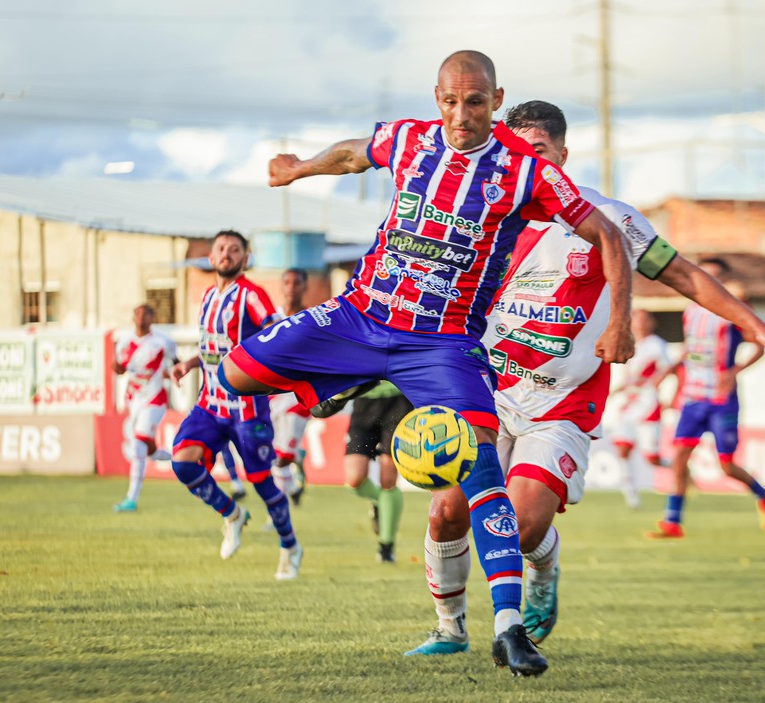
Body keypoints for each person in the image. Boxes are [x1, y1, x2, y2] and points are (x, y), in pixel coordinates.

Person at [215, 50, 639, 677]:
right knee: (233, 374)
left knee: (480, 476)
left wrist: (623, 323)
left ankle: (507, 627)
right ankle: (356, 376)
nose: (461, 114)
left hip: (444, 343)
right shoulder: (412, 141)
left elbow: (607, 235)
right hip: (363, 315)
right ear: (435, 98)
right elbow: (356, 151)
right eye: (450, 100)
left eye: (475, 101)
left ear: (497, 101)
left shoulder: (527, 173)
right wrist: (298, 169)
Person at [405, 100, 765, 649]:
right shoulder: (478, 218)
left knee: (521, 530)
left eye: (540, 151)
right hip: (486, 392)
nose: (529, 162)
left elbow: (684, 274)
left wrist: (757, 328)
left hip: (564, 402)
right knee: (447, 511)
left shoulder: (609, 219)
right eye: (518, 151)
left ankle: (544, 571)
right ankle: (450, 630)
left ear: (563, 157)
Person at [168, 229, 303, 580]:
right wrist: (189, 363)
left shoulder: (252, 296)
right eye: (221, 249)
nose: (227, 254)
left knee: (261, 481)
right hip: (210, 405)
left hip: (247, 408)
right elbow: (213, 345)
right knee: (182, 462)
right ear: (211, 258)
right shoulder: (208, 296)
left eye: (234, 250)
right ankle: (232, 514)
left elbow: (276, 334)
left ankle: (289, 546)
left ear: (245, 258)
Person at [650, 261, 765, 539]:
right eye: (705, 274)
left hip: (721, 399)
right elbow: (690, 350)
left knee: (727, 466)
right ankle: (673, 521)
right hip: (693, 397)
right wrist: (671, 374)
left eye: (716, 276)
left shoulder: (733, 311)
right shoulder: (690, 311)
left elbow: (759, 347)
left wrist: (735, 371)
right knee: (679, 457)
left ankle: (763, 493)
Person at [111, 304, 177, 512]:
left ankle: (131, 499)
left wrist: (173, 372)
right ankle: (174, 455)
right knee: (147, 448)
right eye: (138, 313)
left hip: (155, 399)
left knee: (138, 445)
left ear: (152, 317)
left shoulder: (162, 342)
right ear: (133, 317)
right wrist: (118, 368)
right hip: (134, 399)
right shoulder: (124, 342)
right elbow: (121, 368)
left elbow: (176, 364)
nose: (141, 318)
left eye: (146, 314)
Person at [604, 309, 671, 509]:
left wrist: (658, 386)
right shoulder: (630, 344)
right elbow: (628, 375)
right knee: (622, 449)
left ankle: (679, 469)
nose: (639, 324)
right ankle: (631, 497)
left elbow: (667, 367)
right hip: (628, 404)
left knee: (652, 458)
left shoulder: (656, 344)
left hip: (648, 404)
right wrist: (617, 391)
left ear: (651, 322)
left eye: (643, 319)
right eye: (636, 319)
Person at [344, 381, 413, 564]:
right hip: (363, 400)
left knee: (388, 479)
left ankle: (386, 547)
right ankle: (380, 501)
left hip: (398, 400)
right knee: (354, 478)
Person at [269, 267, 313, 505]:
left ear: (305, 287)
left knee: (282, 457)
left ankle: (278, 512)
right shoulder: (270, 319)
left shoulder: (313, 319)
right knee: (278, 452)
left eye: (297, 283)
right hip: (272, 396)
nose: (291, 288)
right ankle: (298, 459)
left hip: (298, 399)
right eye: (287, 282)